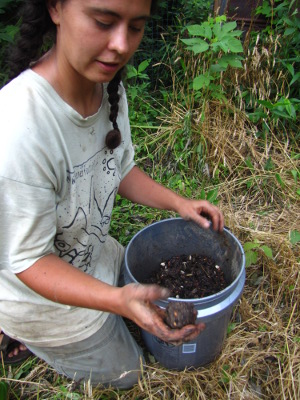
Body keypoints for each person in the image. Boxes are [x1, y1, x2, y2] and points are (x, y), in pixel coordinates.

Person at [0, 0, 224, 389]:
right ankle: (20, 331)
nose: (121, 44)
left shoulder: (106, 90)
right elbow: (30, 260)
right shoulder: (19, 127)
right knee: (128, 372)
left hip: (91, 254)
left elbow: (118, 169)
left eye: (135, 27)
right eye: (104, 22)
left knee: (158, 274)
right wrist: (117, 301)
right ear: (55, 8)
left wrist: (178, 202)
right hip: (38, 294)